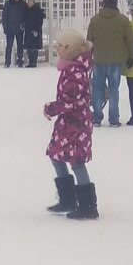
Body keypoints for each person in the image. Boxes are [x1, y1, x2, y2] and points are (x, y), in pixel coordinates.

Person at [43, 32, 98, 220]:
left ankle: (87, 205)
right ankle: (68, 198)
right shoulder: (71, 68)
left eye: (60, 46)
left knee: (76, 161)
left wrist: (51, 108)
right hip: (68, 122)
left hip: (76, 123)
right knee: (56, 155)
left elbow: (72, 101)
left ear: (69, 49)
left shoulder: (75, 72)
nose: (57, 49)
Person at [84, 0, 133, 128]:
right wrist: (132, 56)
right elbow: (130, 40)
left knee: (97, 89)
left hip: (99, 59)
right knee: (113, 90)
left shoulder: (95, 20)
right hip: (116, 60)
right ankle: (113, 118)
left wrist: (88, 57)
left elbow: (89, 41)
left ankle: (97, 117)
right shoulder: (123, 20)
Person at [1, 0, 27, 68]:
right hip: (10, 29)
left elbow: (26, 16)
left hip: (20, 29)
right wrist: (5, 28)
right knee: (9, 46)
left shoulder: (23, 4)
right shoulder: (8, 4)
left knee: (20, 46)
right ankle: (7, 62)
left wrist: (24, 24)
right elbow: (4, 17)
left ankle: (20, 61)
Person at [23, 0, 46, 68]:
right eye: (28, 1)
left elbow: (39, 21)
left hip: (35, 31)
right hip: (28, 30)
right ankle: (30, 61)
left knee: (35, 47)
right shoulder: (26, 10)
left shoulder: (37, 10)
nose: (29, 3)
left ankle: (34, 62)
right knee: (29, 47)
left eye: (31, 1)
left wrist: (36, 30)